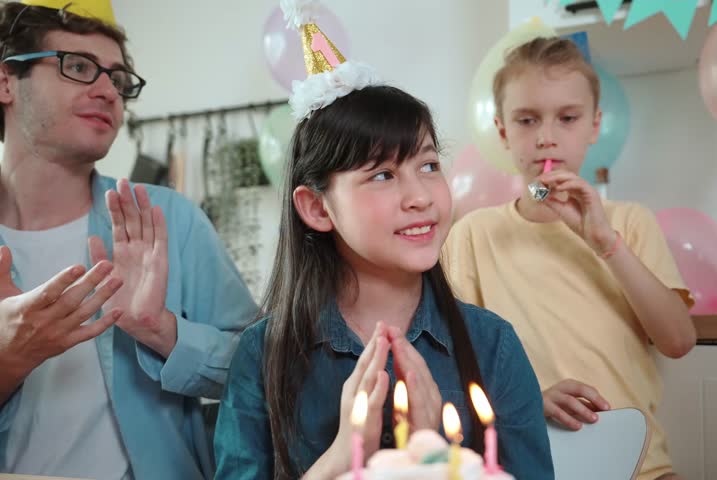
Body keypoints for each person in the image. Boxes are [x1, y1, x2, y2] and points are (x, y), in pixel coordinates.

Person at [213, 8, 553, 480]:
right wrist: (342, 456)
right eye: (382, 175)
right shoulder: (262, 355)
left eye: (429, 165)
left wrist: (434, 454)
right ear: (316, 208)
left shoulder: (492, 345)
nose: (420, 197)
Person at [0, 1, 257, 478]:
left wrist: (162, 330)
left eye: (118, 80)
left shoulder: (168, 219)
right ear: (6, 82)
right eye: (78, 66)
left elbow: (264, 367)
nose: (107, 91)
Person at [442, 36, 696, 480]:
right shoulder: (472, 237)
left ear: (594, 126)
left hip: (642, 468)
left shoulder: (631, 224)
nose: (545, 137)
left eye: (567, 118)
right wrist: (524, 398)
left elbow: (677, 341)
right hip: (523, 465)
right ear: (502, 130)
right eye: (526, 120)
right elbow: (452, 363)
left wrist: (606, 244)